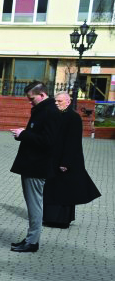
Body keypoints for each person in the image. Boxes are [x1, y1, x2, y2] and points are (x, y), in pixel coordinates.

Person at [9, 81, 60, 253]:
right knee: (33, 204)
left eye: (32, 99)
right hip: (32, 165)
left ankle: (32, 241)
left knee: (34, 205)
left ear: (42, 95)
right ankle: (31, 239)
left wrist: (24, 134)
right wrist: (23, 135)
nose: (30, 102)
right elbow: (39, 135)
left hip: (37, 166)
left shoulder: (49, 112)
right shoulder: (43, 109)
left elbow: (48, 141)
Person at [43, 93, 100, 228]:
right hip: (55, 159)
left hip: (66, 161)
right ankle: (50, 218)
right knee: (53, 189)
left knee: (65, 191)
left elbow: (73, 142)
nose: (56, 103)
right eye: (55, 101)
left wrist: (65, 162)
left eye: (60, 101)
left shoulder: (73, 117)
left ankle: (61, 220)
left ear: (68, 102)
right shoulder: (57, 115)